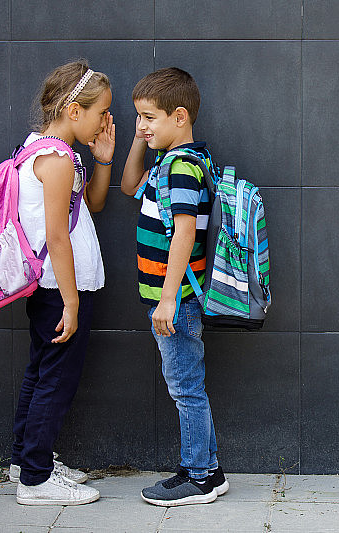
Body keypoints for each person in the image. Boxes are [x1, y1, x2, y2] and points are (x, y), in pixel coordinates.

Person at [121, 67, 228, 506]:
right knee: (186, 385)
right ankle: (209, 468)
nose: (141, 126)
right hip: (170, 299)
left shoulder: (182, 167)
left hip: (176, 300)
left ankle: (198, 477)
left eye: (149, 118)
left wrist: (167, 299)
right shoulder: (169, 162)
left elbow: (184, 234)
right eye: (138, 118)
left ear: (179, 116)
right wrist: (137, 140)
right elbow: (129, 185)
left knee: (185, 387)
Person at [10, 60, 115, 506]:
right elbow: (56, 234)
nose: (105, 121)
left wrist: (103, 160)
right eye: (100, 112)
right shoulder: (54, 161)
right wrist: (71, 303)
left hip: (53, 288)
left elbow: (91, 203)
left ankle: (26, 460)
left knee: (41, 372)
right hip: (60, 290)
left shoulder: (46, 150)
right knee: (57, 379)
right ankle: (35, 480)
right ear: (74, 110)